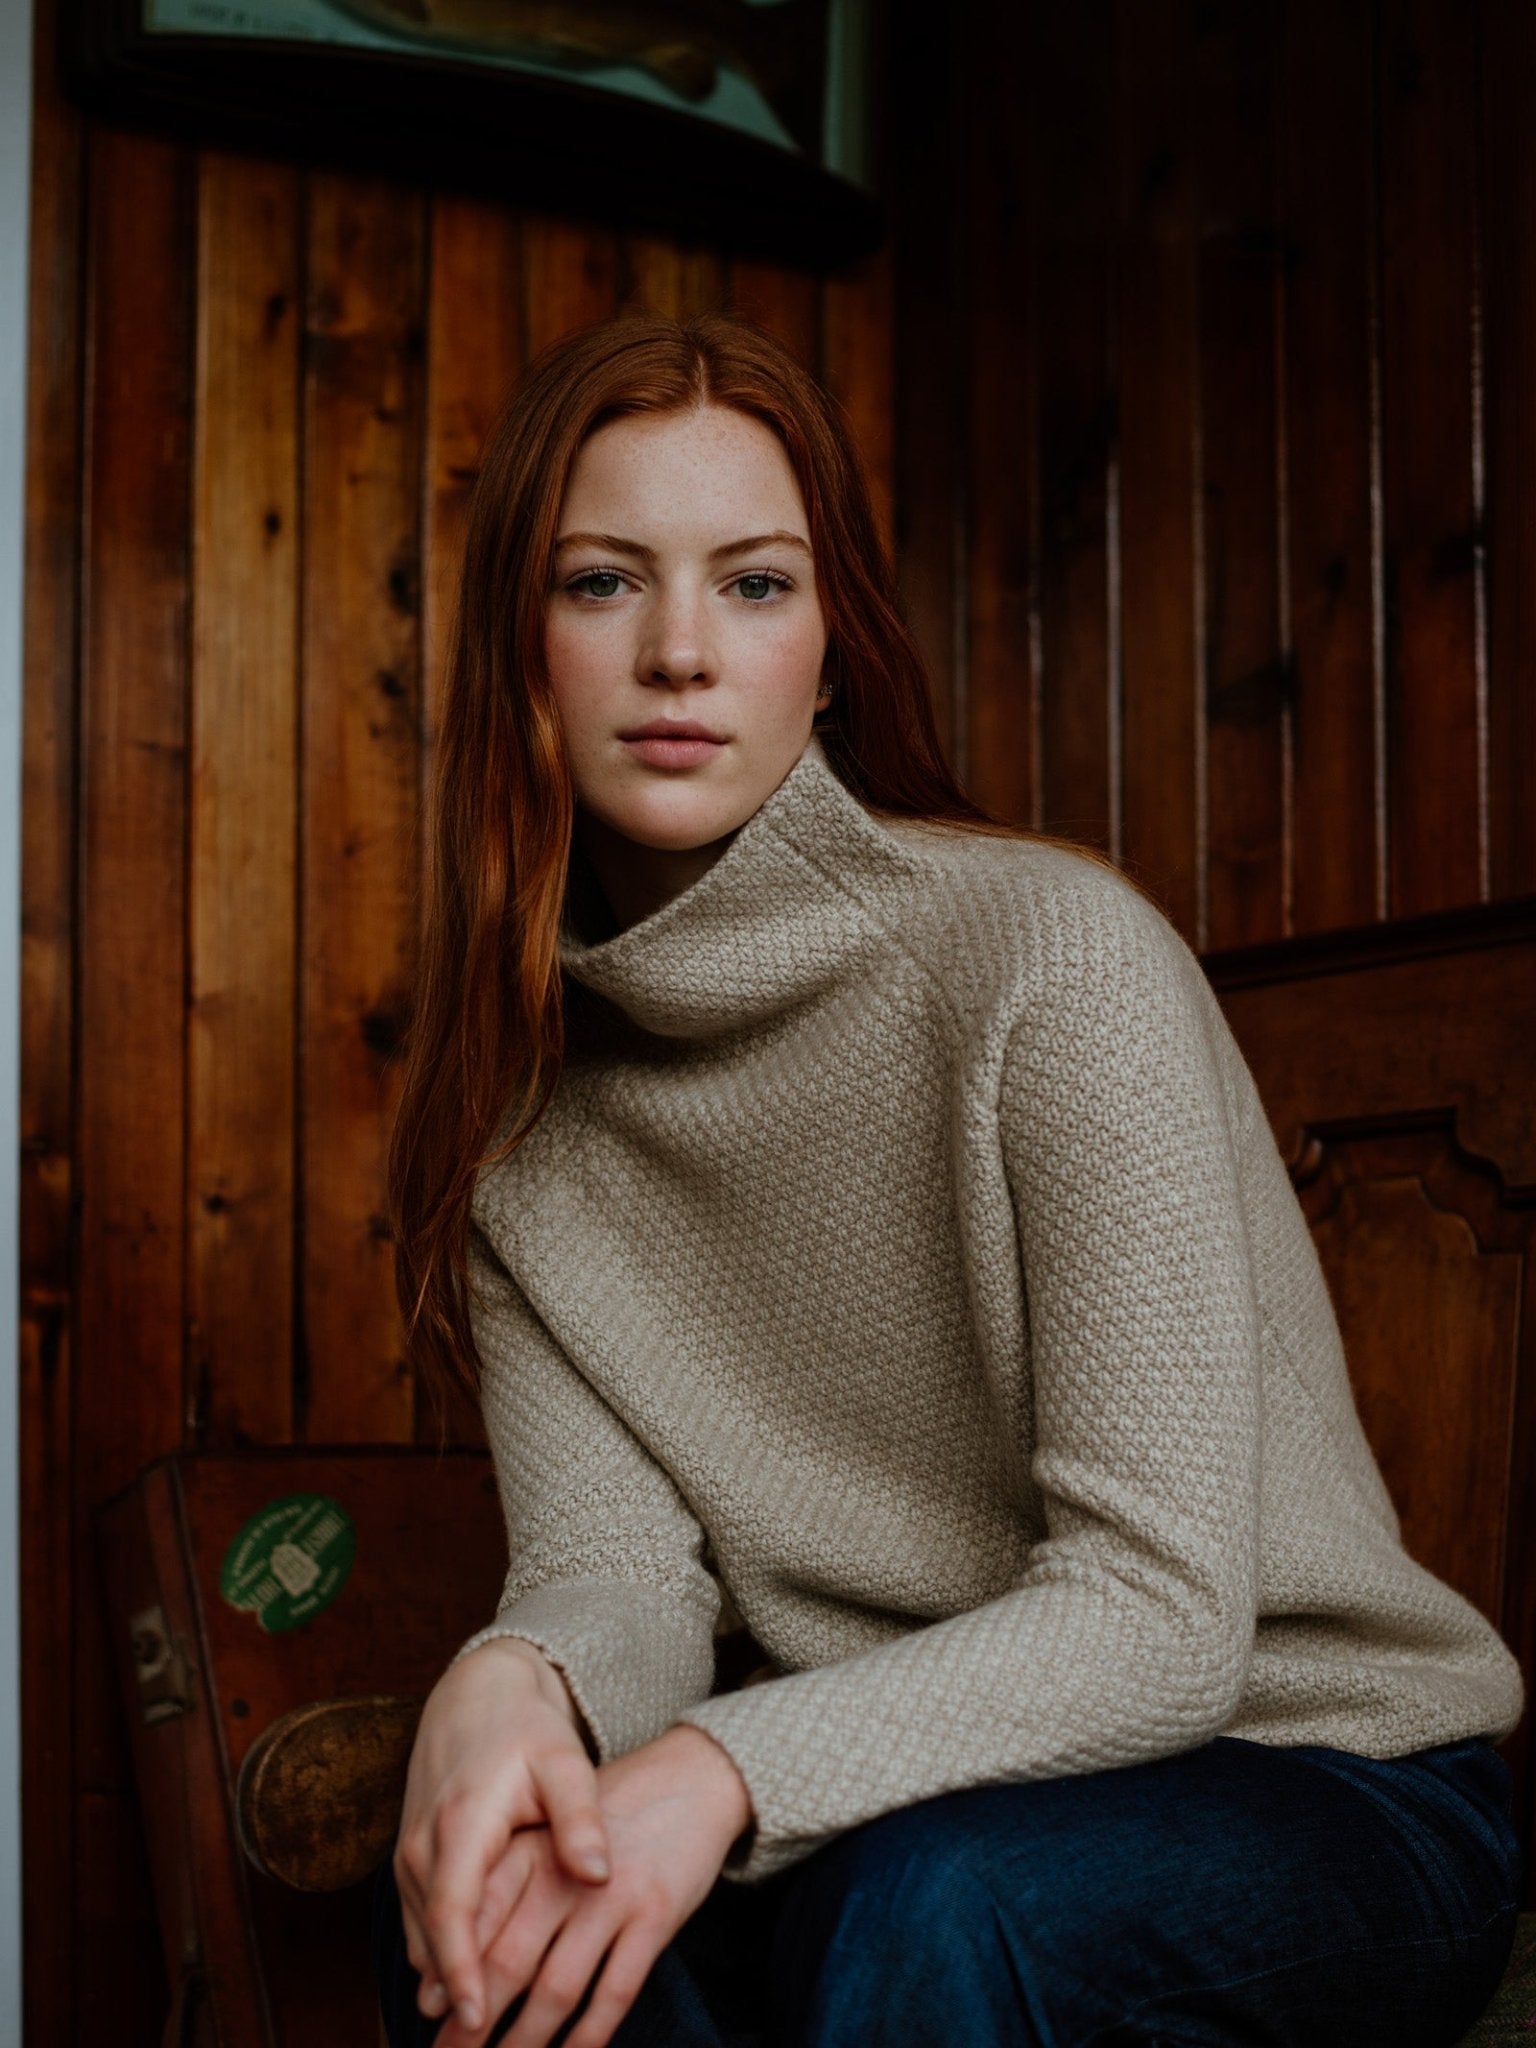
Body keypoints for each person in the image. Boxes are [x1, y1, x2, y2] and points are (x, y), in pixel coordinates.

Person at [371, 310, 1525, 2048]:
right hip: (901, 1808)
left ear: (830, 651)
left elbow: (1160, 1617)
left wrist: (720, 1769)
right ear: (519, 649)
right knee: (514, 1945)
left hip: (1322, 1776)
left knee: (932, 1904)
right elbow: (620, 1575)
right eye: (602, 583)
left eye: (755, 586)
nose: (682, 650)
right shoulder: (528, 1151)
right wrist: (508, 1681)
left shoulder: (1050, 962)